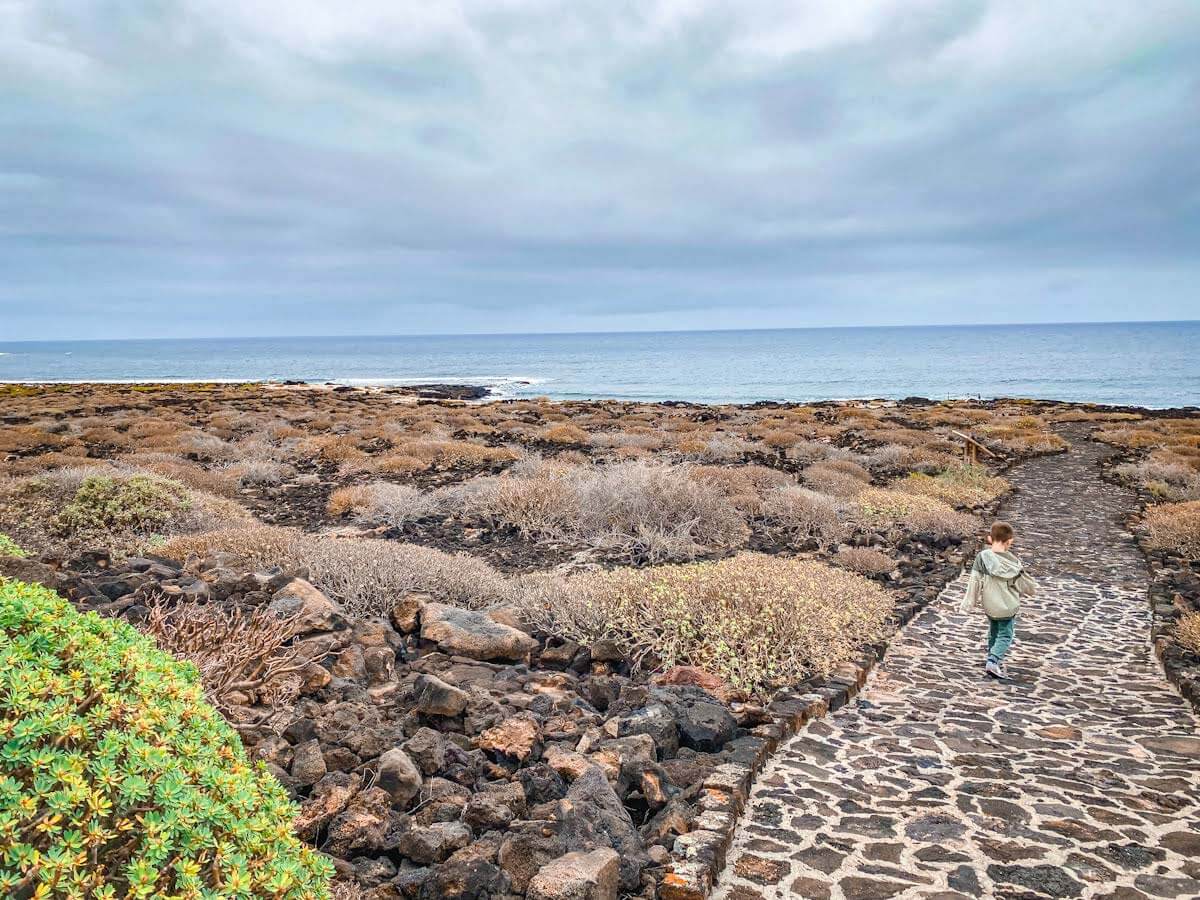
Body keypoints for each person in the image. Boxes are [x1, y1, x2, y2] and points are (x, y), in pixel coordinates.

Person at [958, 521, 1038, 679]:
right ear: (1010, 541)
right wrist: (1032, 590)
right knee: (1005, 634)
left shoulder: (982, 558)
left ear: (989, 539)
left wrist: (968, 605)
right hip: (1008, 606)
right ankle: (993, 661)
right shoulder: (1013, 562)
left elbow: (974, 582)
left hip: (989, 605)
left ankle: (991, 655)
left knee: (993, 630)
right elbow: (1024, 585)